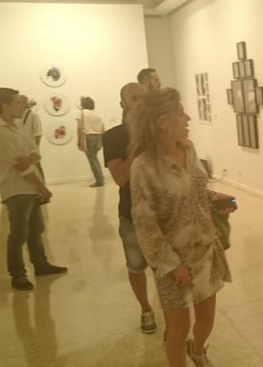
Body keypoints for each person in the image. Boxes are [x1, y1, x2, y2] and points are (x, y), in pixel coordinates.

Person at [129, 87, 234, 367]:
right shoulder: (143, 166)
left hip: (205, 249)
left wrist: (215, 200)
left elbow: (194, 192)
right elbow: (145, 224)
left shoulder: (189, 148)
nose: (187, 118)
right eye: (180, 113)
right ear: (162, 123)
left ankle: (197, 351)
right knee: (178, 328)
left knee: (207, 319)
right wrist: (172, 265)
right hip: (173, 260)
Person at [0, 87, 67, 291]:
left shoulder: (18, 126)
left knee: (35, 230)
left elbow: (35, 152)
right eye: (17, 102)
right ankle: (18, 275)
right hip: (16, 190)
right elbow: (20, 167)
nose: (22, 105)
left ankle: (41, 265)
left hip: (30, 187)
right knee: (19, 234)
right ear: (5, 106)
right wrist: (42, 187)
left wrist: (29, 160)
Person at [102, 82, 157, 335]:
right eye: (135, 98)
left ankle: (171, 311)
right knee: (136, 266)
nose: (141, 103)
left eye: (144, 98)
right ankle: (146, 308)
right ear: (123, 104)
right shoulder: (113, 137)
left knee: (167, 268)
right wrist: (136, 147)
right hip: (132, 214)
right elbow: (120, 178)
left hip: (163, 213)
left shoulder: (159, 131)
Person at [76, 96, 105, 187]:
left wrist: (79, 140)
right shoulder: (97, 114)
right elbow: (103, 128)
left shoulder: (82, 113)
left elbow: (79, 127)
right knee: (94, 158)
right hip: (98, 137)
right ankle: (100, 179)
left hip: (88, 137)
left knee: (92, 159)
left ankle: (99, 180)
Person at [16, 95, 44, 178]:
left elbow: (38, 134)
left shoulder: (33, 115)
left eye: (19, 102)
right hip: (19, 149)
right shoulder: (16, 116)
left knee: (37, 169)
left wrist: (35, 150)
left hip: (30, 150)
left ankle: (41, 185)